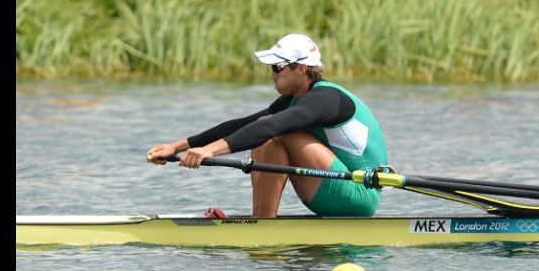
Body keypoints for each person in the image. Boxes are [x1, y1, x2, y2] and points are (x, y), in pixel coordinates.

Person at [146, 33, 388, 217]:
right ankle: (261, 221)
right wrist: (176, 146)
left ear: (301, 68)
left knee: (275, 133)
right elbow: (242, 125)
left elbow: (269, 127)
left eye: (277, 68)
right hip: (332, 187)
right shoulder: (295, 100)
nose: (272, 74)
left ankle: (263, 226)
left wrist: (209, 151)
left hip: (359, 194)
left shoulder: (326, 99)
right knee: (263, 131)